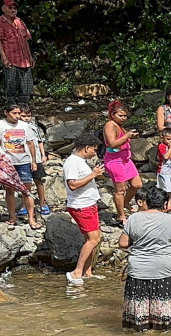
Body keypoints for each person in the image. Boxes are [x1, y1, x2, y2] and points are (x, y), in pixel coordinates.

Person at [119, 184, 171, 332]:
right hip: (166, 269)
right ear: (164, 204)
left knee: (145, 314)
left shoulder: (134, 218)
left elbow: (123, 243)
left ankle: (146, 335)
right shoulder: (170, 220)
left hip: (139, 271)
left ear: (146, 201)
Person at [64, 133, 104, 286]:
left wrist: (93, 173)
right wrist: (93, 174)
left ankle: (87, 272)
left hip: (89, 204)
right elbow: (72, 185)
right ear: (87, 148)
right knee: (93, 239)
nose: (96, 152)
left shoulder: (80, 161)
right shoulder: (72, 162)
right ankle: (76, 272)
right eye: (94, 149)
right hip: (81, 206)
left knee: (92, 239)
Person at [102, 100, 142, 222]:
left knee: (137, 184)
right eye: (121, 116)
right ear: (112, 114)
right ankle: (121, 216)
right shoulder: (110, 125)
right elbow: (112, 144)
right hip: (115, 161)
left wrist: (130, 136)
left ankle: (125, 202)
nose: (124, 118)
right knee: (120, 190)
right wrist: (126, 136)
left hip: (126, 160)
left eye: (125, 116)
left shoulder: (120, 126)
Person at [0, 101, 34, 228]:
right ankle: (12, 217)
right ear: (6, 113)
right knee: (10, 191)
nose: (17, 116)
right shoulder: (1, 125)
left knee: (27, 191)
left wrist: (34, 161)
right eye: (14, 113)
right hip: (8, 162)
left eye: (19, 113)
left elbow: (30, 143)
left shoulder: (25, 126)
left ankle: (31, 218)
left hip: (24, 161)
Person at [0, 0, 32, 106]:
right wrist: (4, 58)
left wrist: (30, 57)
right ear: (3, 9)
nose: (13, 10)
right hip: (11, 60)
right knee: (11, 85)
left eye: (15, 8)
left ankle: (24, 110)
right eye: (10, 8)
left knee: (27, 86)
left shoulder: (19, 21)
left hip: (25, 60)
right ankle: (11, 110)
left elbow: (25, 39)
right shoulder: (1, 22)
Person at [19, 105, 45, 216]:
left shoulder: (34, 127)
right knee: (25, 183)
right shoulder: (16, 128)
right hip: (22, 158)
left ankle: (43, 203)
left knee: (38, 180)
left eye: (28, 116)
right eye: (23, 116)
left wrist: (43, 154)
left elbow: (40, 141)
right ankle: (25, 205)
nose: (26, 118)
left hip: (37, 158)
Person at [155, 127, 171, 208]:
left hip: (170, 172)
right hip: (163, 171)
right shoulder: (162, 146)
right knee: (165, 189)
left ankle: (170, 201)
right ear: (162, 138)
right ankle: (166, 203)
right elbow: (165, 156)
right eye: (168, 139)